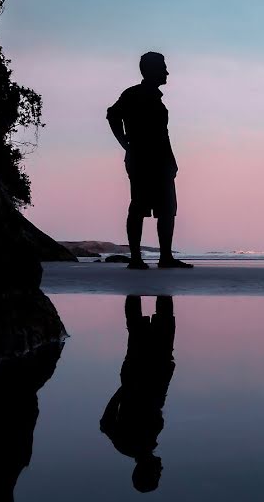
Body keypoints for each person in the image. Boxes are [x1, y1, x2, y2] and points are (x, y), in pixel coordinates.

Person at [107, 52, 192, 269]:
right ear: (152, 70)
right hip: (143, 160)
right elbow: (112, 115)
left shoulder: (151, 96)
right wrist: (125, 143)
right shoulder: (134, 94)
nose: (167, 72)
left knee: (166, 209)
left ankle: (164, 257)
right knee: (139, 207)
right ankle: (137, 258)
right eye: (163, 67)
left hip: (160, 161)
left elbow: (161, 134)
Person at [100, 295, 176, 493]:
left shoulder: (128, 445)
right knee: (155, 322)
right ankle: (153, 282)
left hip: (143, 372)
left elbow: (106, 424)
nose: (161, 469)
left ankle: (140, 284)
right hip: (155, 372)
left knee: (143, 325)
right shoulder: (142, 444)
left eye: (157, 474)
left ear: (145, 471)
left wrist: (123, 389)